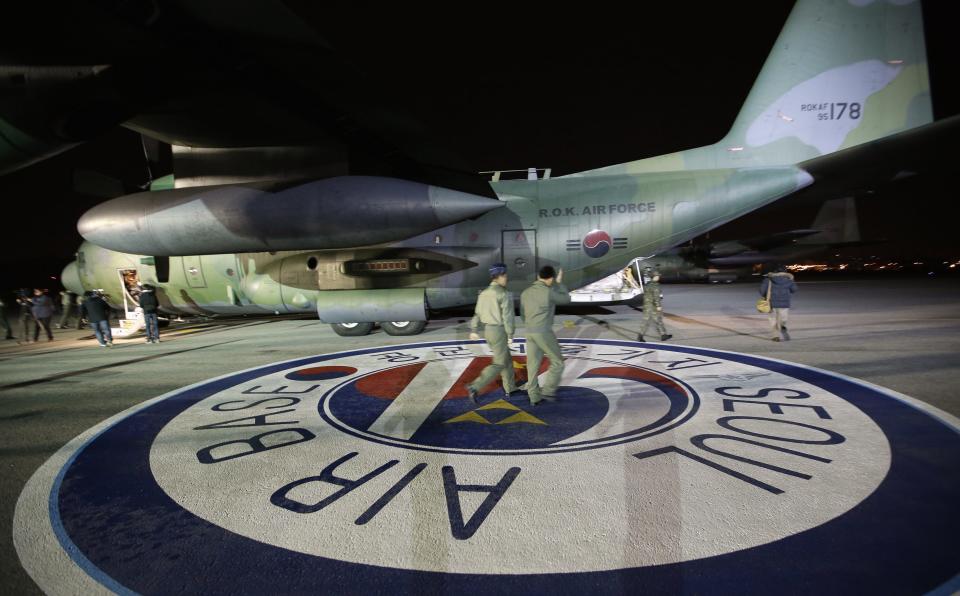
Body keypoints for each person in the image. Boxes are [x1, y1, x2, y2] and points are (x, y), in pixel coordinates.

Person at [466, 263, 518, 404]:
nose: (506, 278)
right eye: (505, 275)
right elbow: (508, 317)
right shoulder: (503, 293)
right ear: (500, 276)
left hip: (488, 331)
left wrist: (474, 330)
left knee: (506, 359)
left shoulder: (484, 293)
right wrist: (510, 335)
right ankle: (475, 386)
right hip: (499, 331)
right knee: (499, 363)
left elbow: (477, 313)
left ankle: (510, 388)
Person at [520, 265, 571, 406]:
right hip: (543, 332)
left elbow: (523, 315)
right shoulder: (548, 292)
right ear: (551, 279)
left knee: (532, 365)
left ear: (538, 277)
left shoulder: (525, 292)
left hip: (529, 331)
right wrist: (559, 284)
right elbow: (566, 299)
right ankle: (548, 391)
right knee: (558, 362)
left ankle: (534, 397)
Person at [760, 265, 797, 341]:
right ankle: (782, 326)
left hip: (771, 303)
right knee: (783, 319)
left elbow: (761, 291)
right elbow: (794, 290)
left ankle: (775, 336)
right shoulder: (789, 279)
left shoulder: (768, 279)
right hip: (784, 303)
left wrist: (766, 295)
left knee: (772, 319)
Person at [638, 267, 672, 342]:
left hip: (646, 305)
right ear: (655, 276)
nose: (659, 277)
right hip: (653, 306)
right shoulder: (655, 285)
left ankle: (640, 336)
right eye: (658, 276)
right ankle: (663, 335)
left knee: (645, 321)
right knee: (658, 320)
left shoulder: (647, 284)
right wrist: (658, 306)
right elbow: (656, 297)